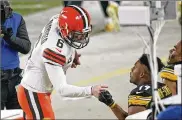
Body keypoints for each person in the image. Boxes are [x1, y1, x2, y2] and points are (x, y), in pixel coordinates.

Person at [17, 5, 108, 119]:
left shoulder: (57, 21)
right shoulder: (53, 50)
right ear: (65, 30)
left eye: (83, 35)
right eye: (78, 36)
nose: (81, 39)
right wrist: (90, 90)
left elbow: (66, 41)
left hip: (37, 90)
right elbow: (62, 90)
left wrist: (72, 54)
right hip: (33, 92)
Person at [98, 54, 172, 120]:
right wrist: (111, 103)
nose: (131, 69)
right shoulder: (163, 87)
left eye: (135, 67)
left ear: (142, 74)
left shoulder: (140, 93)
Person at [0, 0, 31, 110]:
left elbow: (26, 47)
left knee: (18, 116)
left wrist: (10, 38)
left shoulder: (17, 18)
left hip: (14, 79)